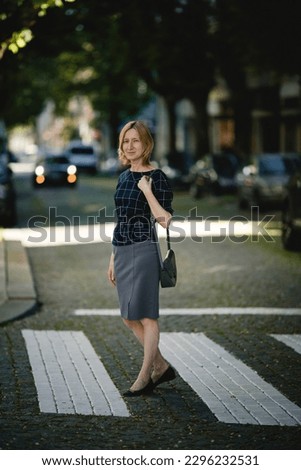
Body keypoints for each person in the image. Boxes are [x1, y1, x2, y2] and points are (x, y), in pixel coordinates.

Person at [107, 120, 176, 397]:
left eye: (135, 140)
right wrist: (112, 256)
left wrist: (147, 191)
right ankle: (161, 366)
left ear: (146, 143)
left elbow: (165, 220)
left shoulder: (157, 177)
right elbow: (120, 218)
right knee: (128, 316)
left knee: (146, 315)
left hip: (145, 248)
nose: (130, 146)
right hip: (122, 250)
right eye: (126, 141)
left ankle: (145, 377)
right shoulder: (123, 176)